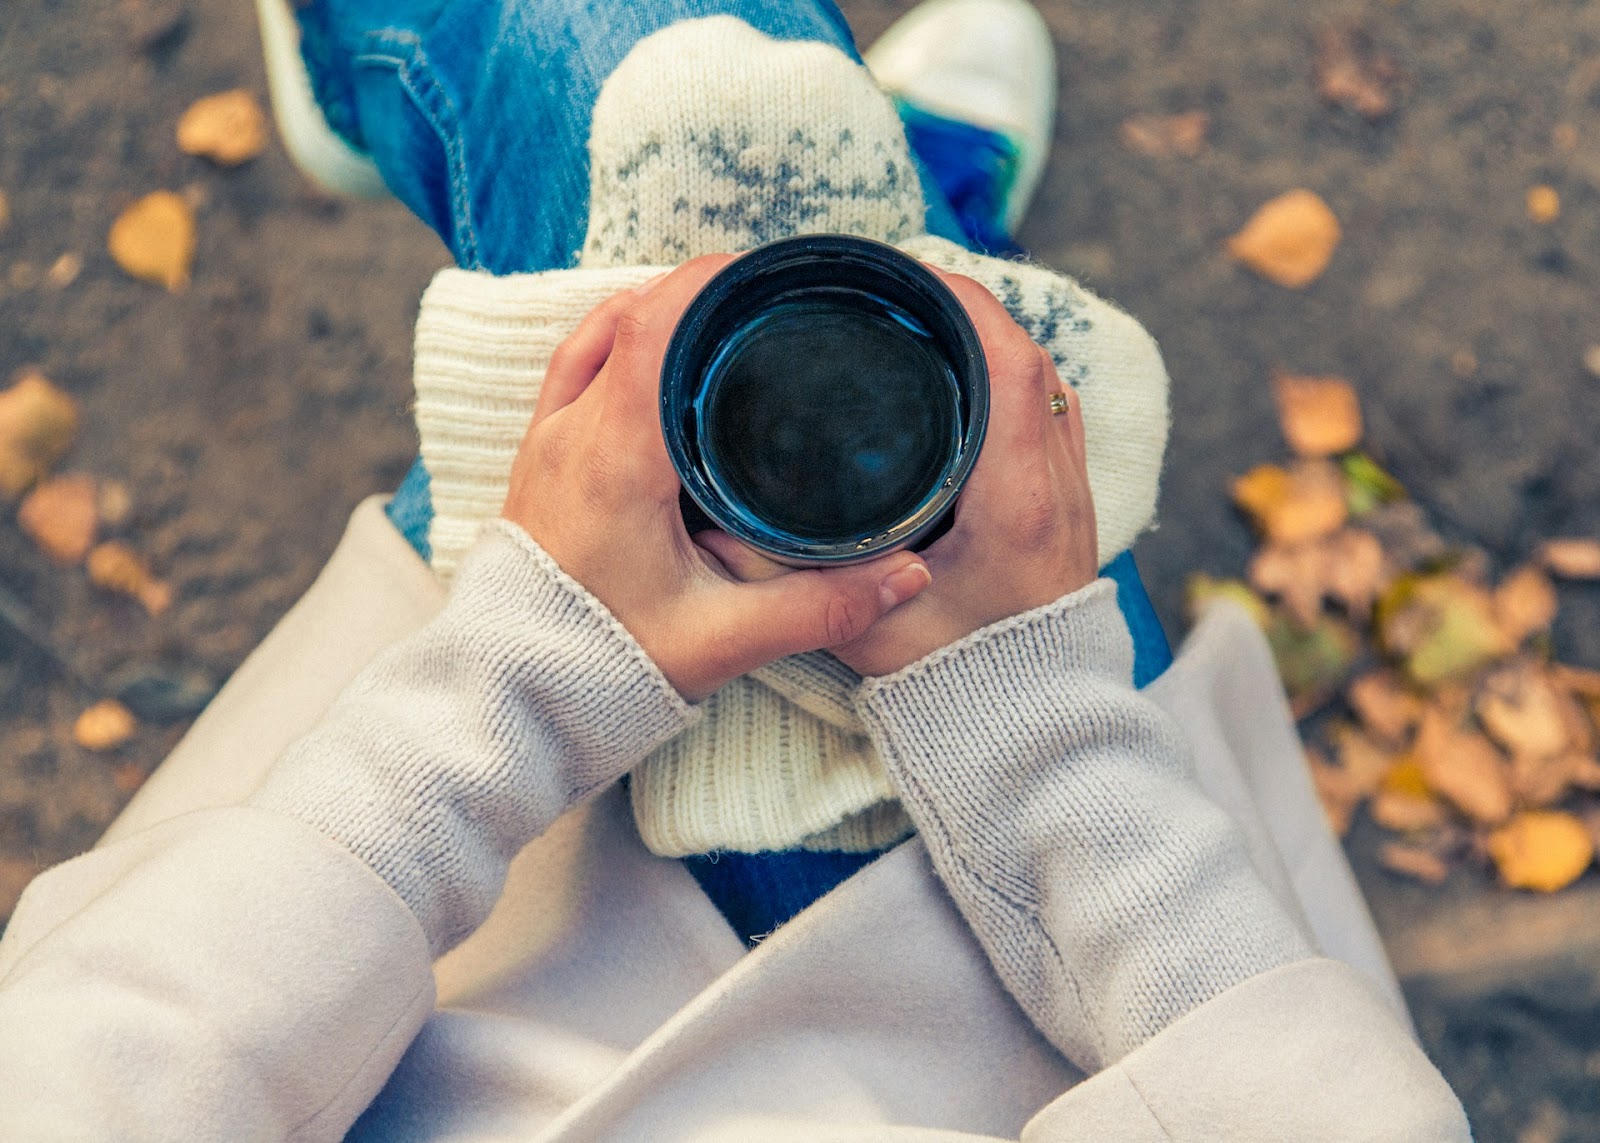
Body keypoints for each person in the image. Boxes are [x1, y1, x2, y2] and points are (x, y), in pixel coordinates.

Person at [0, 0, 1469, 1139]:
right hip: (1114, 1014)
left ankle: (381, 87)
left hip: (421, 993)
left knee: (643, 63)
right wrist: (1029, 730)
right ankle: (945, 198)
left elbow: (98, 1077)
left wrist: (528, 671)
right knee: (874, 282)